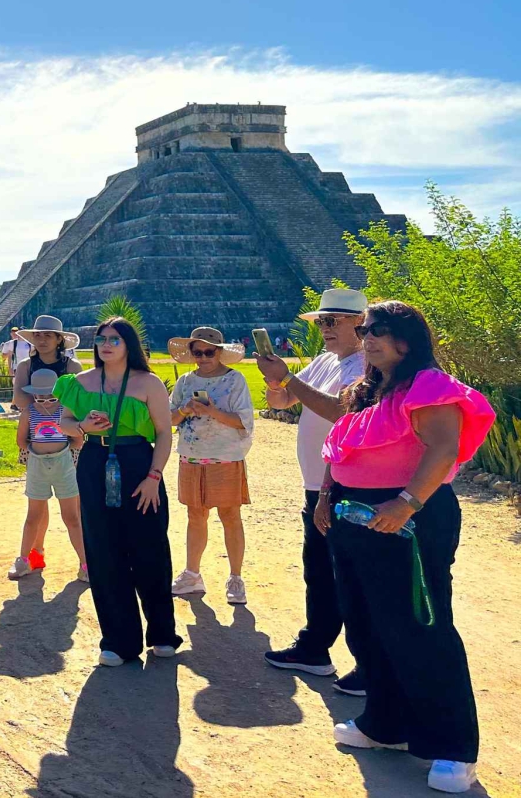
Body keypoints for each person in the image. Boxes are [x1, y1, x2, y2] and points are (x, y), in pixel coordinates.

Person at [319, 301, 494, 794]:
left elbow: (442, 448)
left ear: (408, 339)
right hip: (354, 516)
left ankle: (453, 747)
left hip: (408, 518)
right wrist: (329, 497)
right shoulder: (369, 390)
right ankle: (385, 723)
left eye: (379, 330)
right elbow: (344, 449)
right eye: (364, 330)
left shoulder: (430, 386)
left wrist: (408, 502)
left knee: (420, 625)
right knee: (366, 621)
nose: (367, 337)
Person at [256, 288, 370, 693]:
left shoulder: (366, 365)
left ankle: (369, 665)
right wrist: (275, 382)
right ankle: (315, 647)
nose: (325, 328)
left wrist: (286, 378)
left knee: (351, 577)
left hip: (347, 484)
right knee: (319, 571)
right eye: (322, 321)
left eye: (333, 320)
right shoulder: (324, 360)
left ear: (360, 323)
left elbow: (340, 411)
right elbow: (285, 400)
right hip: (316, 485)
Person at [54, 316, 178, 667]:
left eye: (114, 339)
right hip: (94, 460)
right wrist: (81, 426)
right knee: (103, 551)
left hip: (138, 461)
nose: (106, 344)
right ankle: (118, 639)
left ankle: (162, 633)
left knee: (149, 549)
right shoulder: (79, 381)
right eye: (101, 338)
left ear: (129, 345)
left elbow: (165, 434)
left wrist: (154, 476)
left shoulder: (148, 383)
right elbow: (63, 423)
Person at [166, 327, 255, 605]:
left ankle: (236, 577)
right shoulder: (184, 381)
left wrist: (210, 411)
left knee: (230, 516)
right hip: (192, 455)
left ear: (220, 352)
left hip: (225, 456)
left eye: (209, 352)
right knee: (195, 515)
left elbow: (243, 421)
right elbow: (170, 419)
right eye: (198, 352)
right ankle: (192, 573)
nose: (203, 357)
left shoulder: (235, 380)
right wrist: (185, 410)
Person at [9, 315, 86, 581]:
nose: (42, 340)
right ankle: (35, 555)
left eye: (47, 335)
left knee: (71, 508)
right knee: (37, 508)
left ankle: (82, 562)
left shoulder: (72, 364)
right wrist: (45, 400)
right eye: (38, 335)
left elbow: (81, 399)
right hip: (36, 435)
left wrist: (47, 400)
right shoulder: (25, 365)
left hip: (67, 439)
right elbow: (19, 398)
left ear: (58, 339)